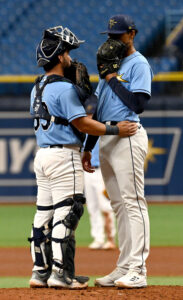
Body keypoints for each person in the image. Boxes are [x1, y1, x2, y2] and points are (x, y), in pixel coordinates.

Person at [28, 25, 138, 289]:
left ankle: (39, 272)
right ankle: (60, 274)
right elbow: (83, 124)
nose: (70, 58)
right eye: (67, 52)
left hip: (42, 156)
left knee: (43, 214)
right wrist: (115, 128)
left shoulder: (37, 87)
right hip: (64, 156)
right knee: (68, 212)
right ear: (58, 55)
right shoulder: (63, 89)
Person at [82, 14, 153, 288]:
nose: (113, 41)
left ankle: (139, 269)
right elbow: (97, 108)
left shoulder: (139, 63)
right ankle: (123, 266)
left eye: (119, 35)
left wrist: (111, 77)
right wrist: (89, 147)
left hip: (129, 135)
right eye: (110, 36)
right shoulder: (111, 64)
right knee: (119, 205)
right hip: (106, 137)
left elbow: (138, 104)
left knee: (133, 202)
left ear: (132, 34)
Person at [84, 99, 116, 250]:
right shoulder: (83, 131)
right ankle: (98, 238)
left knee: (106, 206)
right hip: (87, 172)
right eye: (87, 113)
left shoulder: (104, 130)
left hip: (101, 172)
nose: (89, 116)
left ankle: (111, 239)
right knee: (92, 206)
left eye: (92, 113)